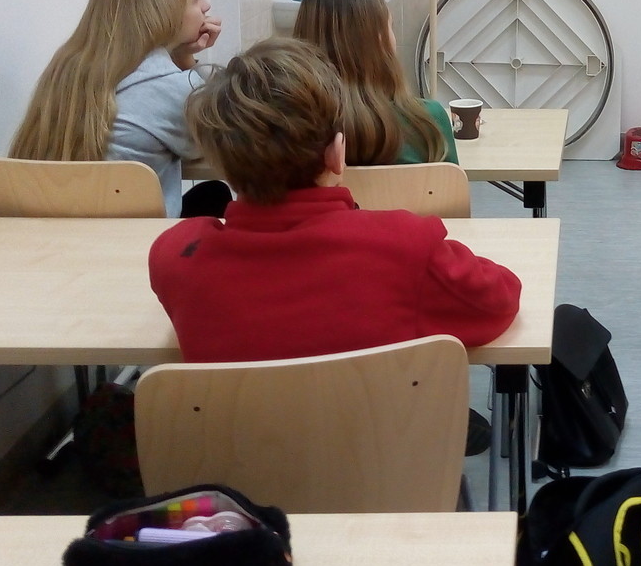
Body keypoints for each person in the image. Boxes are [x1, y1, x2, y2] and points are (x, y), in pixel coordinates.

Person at [148, 37, 520, 364]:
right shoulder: (404, 246)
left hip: (239, 428)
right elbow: (499, 301)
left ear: (222, 164)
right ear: (337, 153)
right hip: (376, 426)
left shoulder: (176, 258)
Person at [10, 0, 224, 217]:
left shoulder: (66, 67)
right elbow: (211, 143)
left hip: (53, 229)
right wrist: (187, 61)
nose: (205, 6)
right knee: (216, 195)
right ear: (165, 13)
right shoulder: (168, 86)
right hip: (132, 235)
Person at [292, 0, 458, 166]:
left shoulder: (289, 132)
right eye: (390, 27)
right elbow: (452, 184)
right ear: (381, 42)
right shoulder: (428, 121)